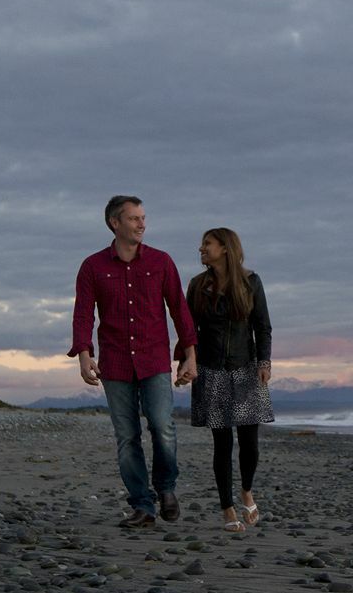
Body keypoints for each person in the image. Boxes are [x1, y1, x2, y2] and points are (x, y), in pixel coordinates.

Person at [70, 195, 196, 529]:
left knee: (162, 426)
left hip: (154, 358)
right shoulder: (93, 267)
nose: (142, 224)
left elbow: (179, 311)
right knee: (127, 437)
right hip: (115, 362)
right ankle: (143, 506)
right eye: (134, 218)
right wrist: (84, 356)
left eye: (143, 218)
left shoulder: (161, 262)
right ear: (115, 223)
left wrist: (189, 355)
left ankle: (166, 489)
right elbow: (83, 314)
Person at [187, 227, 273, 533]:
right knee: (221, 444)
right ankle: (227, 509)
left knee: (249, 444)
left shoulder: (251, 282)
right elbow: (189, 331)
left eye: (207, 244)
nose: (201, 249)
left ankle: (246, 490)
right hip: (211, 372)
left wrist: (264, 362)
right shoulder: (197, 286)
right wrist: (189, 361)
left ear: (225, 248)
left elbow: (262, 326)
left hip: (245, 369)